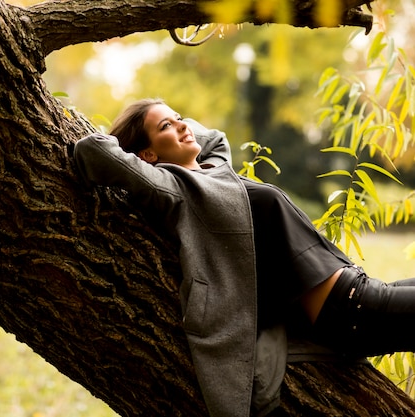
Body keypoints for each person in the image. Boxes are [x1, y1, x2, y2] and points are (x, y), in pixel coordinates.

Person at [72, 98, 415, 417]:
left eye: (180, 119)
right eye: (166, 127)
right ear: (145, 155)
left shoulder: (216, 167)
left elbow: (214, 136)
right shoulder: (174, 190)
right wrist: (141, 142)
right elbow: (95, 151)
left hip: (362, 289)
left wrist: (170, 122)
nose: (182, 126)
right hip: (347, 310)